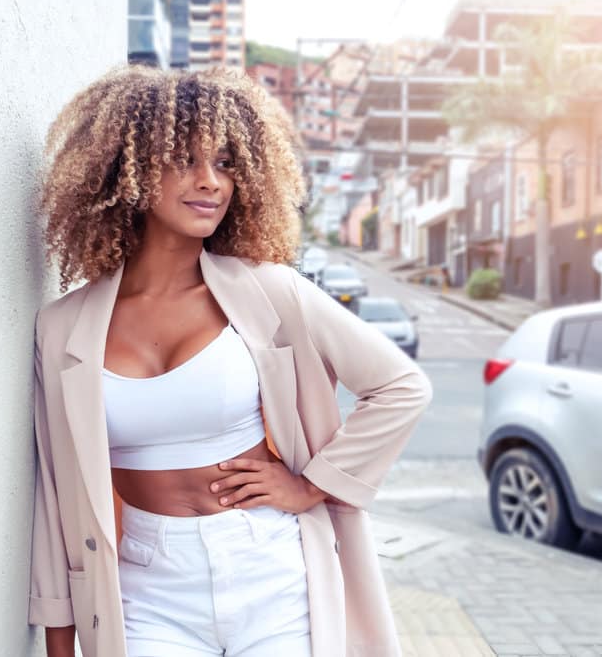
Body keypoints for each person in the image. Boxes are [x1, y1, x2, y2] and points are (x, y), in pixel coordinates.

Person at [27, 65, 433, 657]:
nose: (210, 181)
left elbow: (401, 386)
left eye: (225, 163)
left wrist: (311, 486)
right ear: (129, 169)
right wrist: (60, 643)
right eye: (184, 159)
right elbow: (54, 495)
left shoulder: (270, 291)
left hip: (269, 570)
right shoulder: (63, 328)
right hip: (147, 585)